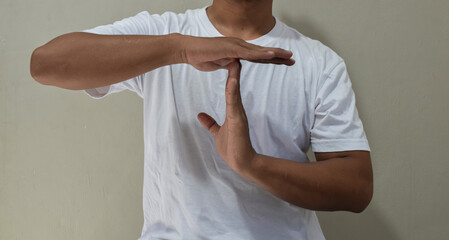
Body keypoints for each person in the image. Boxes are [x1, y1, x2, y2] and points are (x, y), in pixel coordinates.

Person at [30, 0, 373, 239]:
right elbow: (45, 64)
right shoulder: (164, 31)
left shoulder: (320, 62)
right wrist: (178, 50)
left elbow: (355, 188)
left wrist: (251, 164)